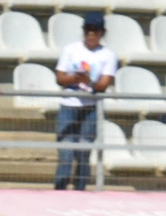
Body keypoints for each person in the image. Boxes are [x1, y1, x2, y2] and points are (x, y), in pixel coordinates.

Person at [54, 13, 118, 191]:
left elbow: (104, 84)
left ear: (101, 33)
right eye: (88, 30)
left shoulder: (108, 55)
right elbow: (60, 77)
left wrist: (88, 81)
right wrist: (76, 78)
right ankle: (59, 191)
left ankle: (80, 190)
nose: (91, 34)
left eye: (95, 30)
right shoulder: (70, 49)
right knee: (65, 153)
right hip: (69, 105)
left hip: (91, 108)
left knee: (83, 153)